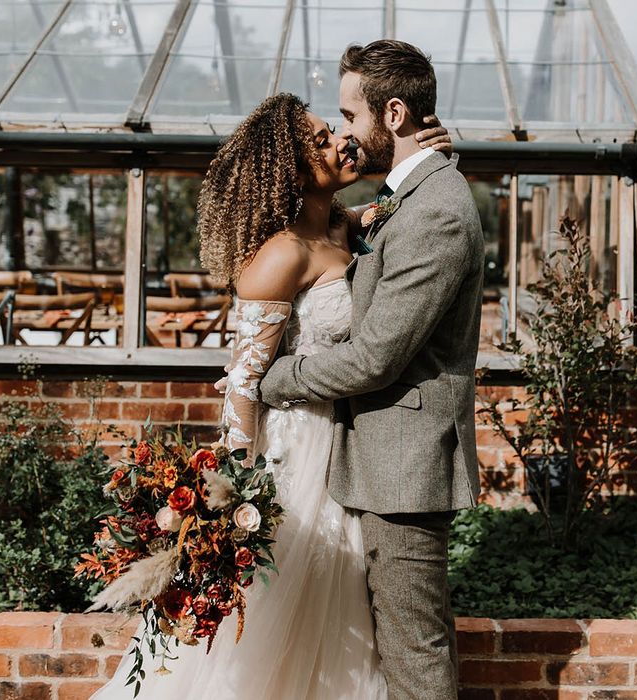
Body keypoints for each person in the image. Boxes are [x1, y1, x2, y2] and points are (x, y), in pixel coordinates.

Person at [91, 90, 451, 699]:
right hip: (296, 457)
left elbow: (394, 207)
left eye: (335, 129)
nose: (340, 139)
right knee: (280, 618)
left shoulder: (345, 225)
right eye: (319, 139)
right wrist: (232, 496)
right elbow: (243, 385)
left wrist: (425, 152)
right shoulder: (280, 255)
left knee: (342, 616)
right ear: (288, 166)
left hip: (350, 443)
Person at [260, 40, 484, 700]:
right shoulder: (411, 197)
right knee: (392, 644)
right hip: (376, 463)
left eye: (348, 115)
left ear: (391, 113)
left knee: (414, 652)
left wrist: (272, 380)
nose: (346, 135)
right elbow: (372, 226)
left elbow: (376, 358)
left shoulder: (437, 211)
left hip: (405, 470)